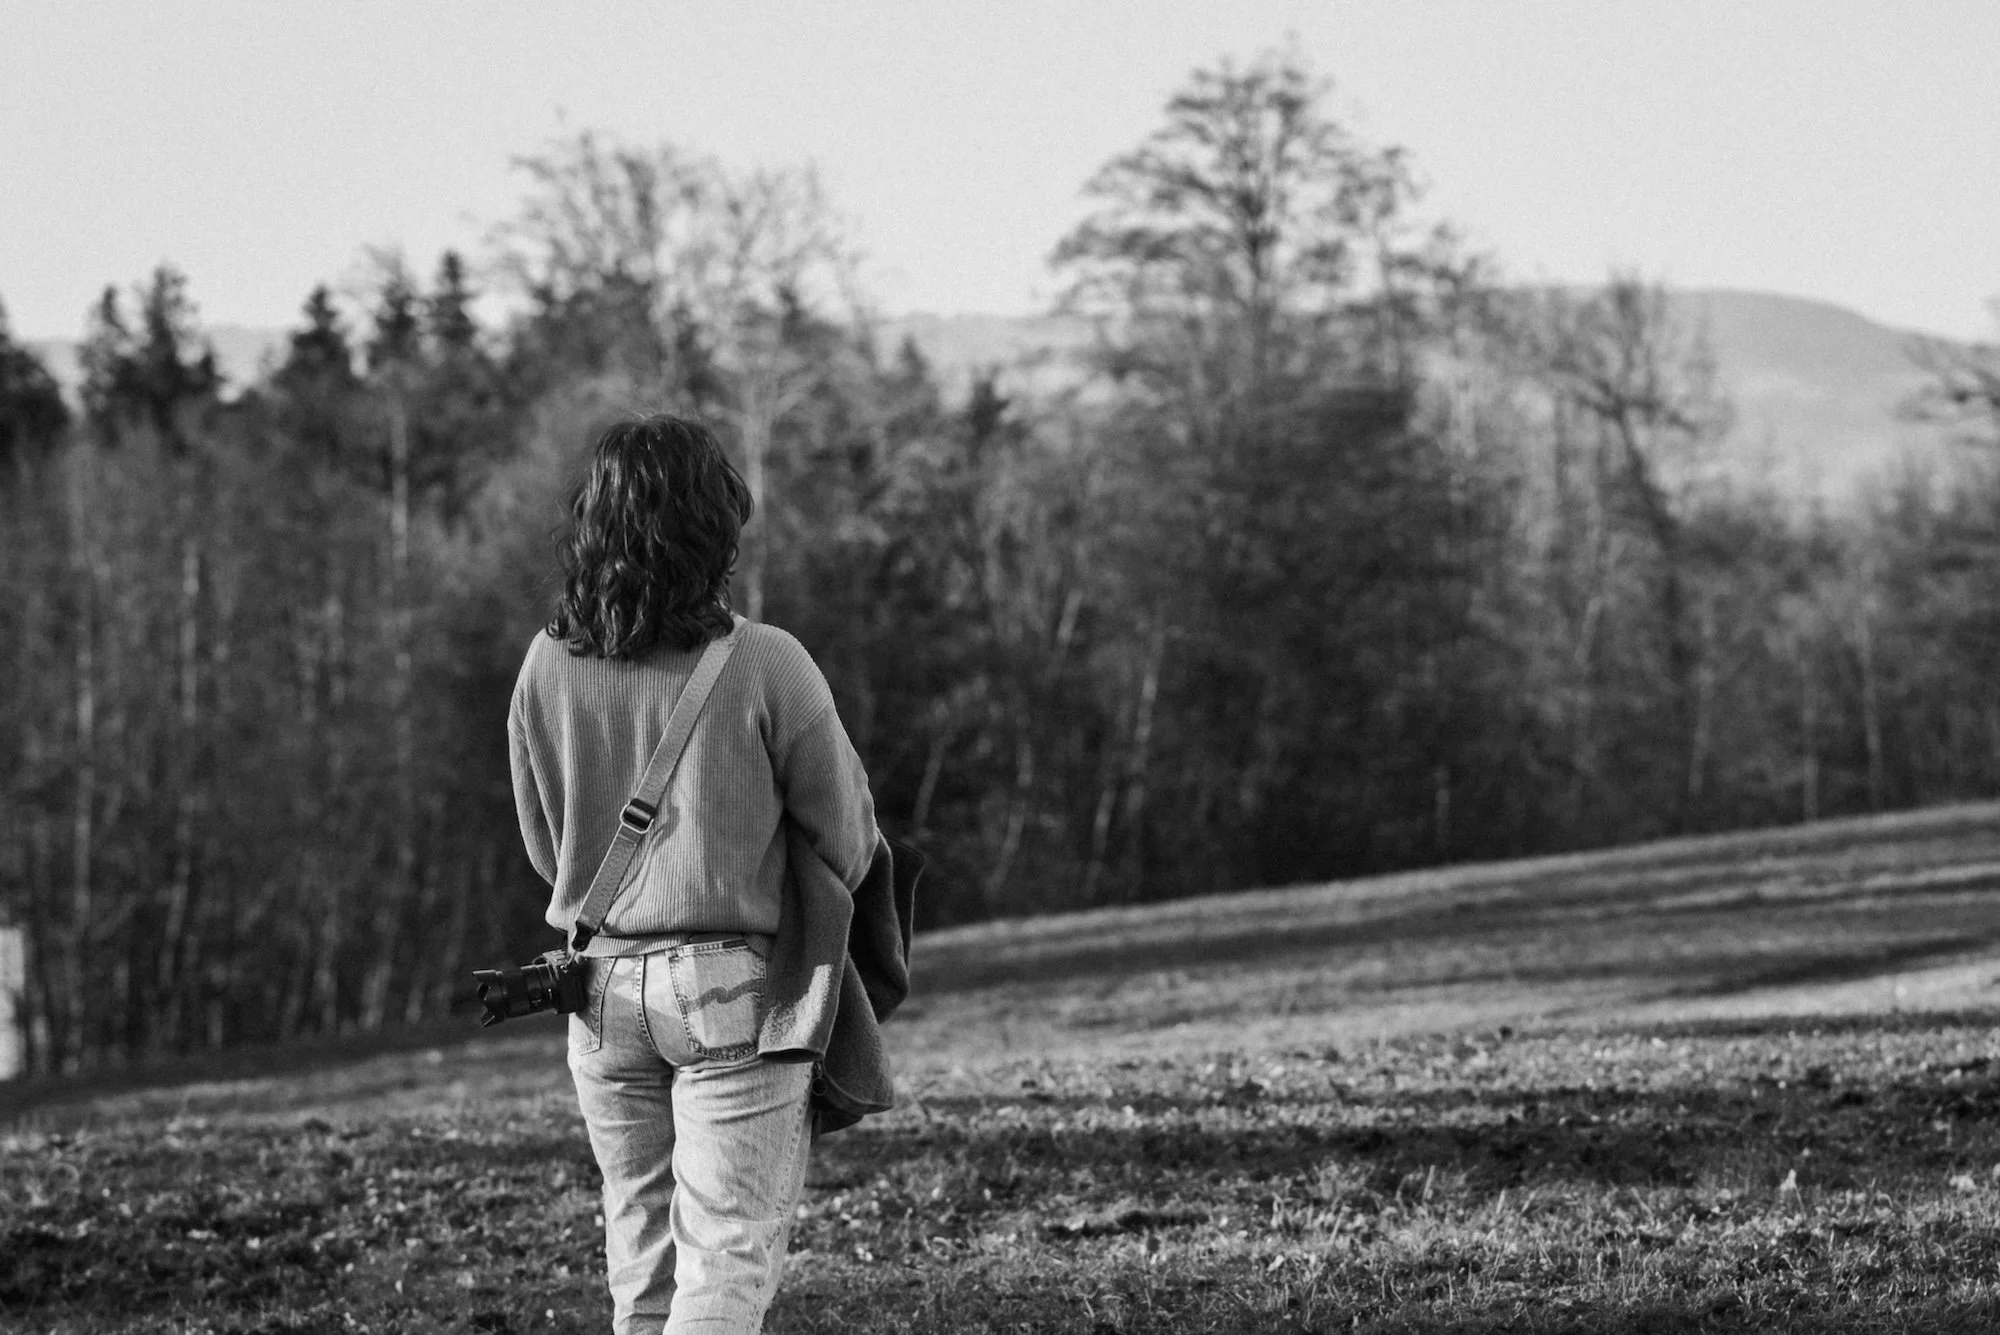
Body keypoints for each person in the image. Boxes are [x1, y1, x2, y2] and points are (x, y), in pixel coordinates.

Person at [508, 413, 878, 1333]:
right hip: (730, 993)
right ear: (716, 528)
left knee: (643, 1270)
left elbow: (544, 847)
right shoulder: (766, 661)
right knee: (724, 1262)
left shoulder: (545, 665)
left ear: (592, 526)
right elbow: (849, 836)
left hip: (594, 992)